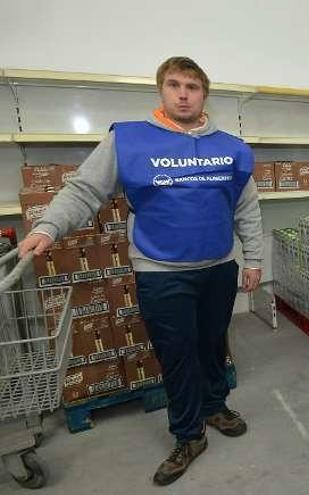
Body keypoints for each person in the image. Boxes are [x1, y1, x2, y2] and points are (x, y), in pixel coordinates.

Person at [17, 56, 263, 486]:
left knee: (211, 344)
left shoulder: (232, 148)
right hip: (161, 270)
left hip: (219, 267)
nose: (183, 93)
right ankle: (189, 436)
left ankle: (214, 405)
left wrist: (255, 259)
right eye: (174, 85)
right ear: (161, 91)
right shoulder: (128, 141)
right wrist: (48, 227)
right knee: (177, 353)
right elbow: (85, 188)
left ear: (205, 94)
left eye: (192, 86)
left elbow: (246, 207)